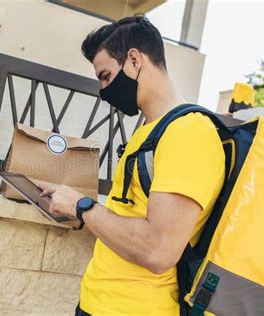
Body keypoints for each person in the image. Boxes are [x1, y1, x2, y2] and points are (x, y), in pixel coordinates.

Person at [39, 16, 225, 315]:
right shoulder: (148, 131)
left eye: (106, 76)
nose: (104, 90)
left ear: (134, 61)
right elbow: (128, 217)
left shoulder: (189, 133)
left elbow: (158, 250)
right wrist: (71, 204)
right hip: (97, 304)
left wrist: (83, 207)